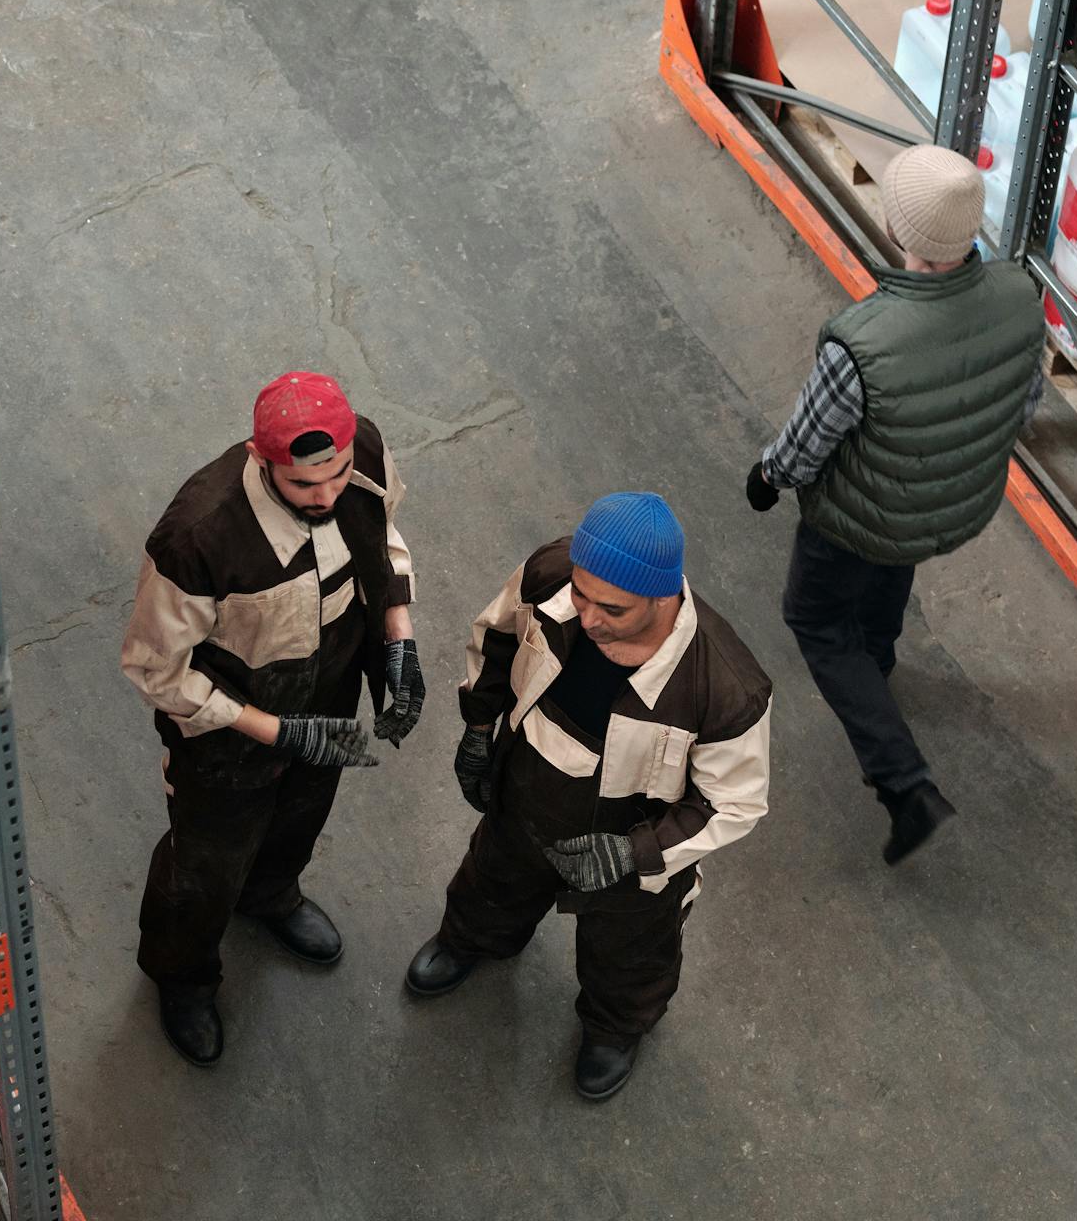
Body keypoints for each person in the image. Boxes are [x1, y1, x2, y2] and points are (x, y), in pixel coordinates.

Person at [403, 493, 771, 1101]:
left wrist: (633, 854)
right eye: (582, 593)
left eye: (613, 609)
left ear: (664, 597)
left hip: (633, 847)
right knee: (493, 880)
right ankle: (472, 939)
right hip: (526, 793)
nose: (588, 617)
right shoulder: (552, 574)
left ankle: (615, 1026)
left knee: (630, 949)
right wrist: (477, 728)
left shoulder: (723, 687)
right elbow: (496, 638)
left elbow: (733, 803)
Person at [744, 144, 1041, 866]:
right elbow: (1022, 403)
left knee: (814, 618)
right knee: (890, 563)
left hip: (859, 514)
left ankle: (904, 785)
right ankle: (877, 657)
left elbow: (808, 444)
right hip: (952, 502)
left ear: (898, 230)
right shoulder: (1020, 294)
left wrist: (768, 477)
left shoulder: (865, 342)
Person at [122, 371, 423, 1066]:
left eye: (337, 477)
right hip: (232, 725)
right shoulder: (197, 538)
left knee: (301, 814)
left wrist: (398, 635)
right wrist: (274, 730)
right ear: (263, 460)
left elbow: (384, 536)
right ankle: (182, 976)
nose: (326, 497)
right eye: (304, 486)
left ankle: (271, 896)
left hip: (333, 680)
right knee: (205, 862)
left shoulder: (364, 456)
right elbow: (154, 668)